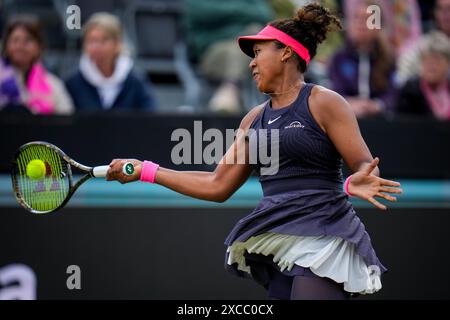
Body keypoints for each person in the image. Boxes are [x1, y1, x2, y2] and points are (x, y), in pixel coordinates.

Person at [106, 3, 402, 300]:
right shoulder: (253, 119)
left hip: (325, 237)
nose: (251, 63)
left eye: (258, 53)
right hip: (280, 241)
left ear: (286, 52)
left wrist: (358, 179)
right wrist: (146, 171)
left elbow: (364, 162)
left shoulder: (325, 102)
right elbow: (217, 184)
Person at [65, 13, 156, 111]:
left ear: (117, 43)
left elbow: (150, 115)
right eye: (92, 41)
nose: (97, 47)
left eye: (104, 40)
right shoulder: (73, 82)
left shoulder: (136, 80)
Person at [329, 0, 397, 118]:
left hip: (381, 122)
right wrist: (350, 103)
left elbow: (393, 93)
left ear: (379, 27)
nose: (361, 24)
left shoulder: (388, 59)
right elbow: (334, 89)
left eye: (368, 19)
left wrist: (377, 105)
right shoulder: (339, 58)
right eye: (357, 18)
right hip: (345, 117)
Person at [0, 14, 74, 114]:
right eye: (15, 40)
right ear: (6, 45)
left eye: (28, 40)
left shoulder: (53, 85)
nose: (20, 46)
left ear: (39, 46)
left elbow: (67, 119)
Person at [396, 31, 450, 120]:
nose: (432, 66)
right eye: (428, 61)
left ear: (448, 63)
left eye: (437, 61)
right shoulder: (409, 92)